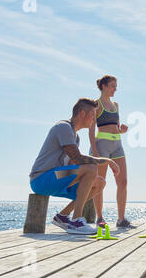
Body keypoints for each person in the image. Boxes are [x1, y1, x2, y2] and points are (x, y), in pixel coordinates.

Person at [29, 98, 120, 234]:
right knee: (91, 169)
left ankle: (62, 217)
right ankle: (76, 221)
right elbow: (77, 159)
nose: (94, 120)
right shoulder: (63, 127)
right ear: (82, 114)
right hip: (42, 179)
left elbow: (73, 165)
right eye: (93, 116)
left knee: (99, 183)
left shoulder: (75, 137)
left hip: (59, 178)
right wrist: (107, 161)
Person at [89, 75, 134, 228]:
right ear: (104, 86)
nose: (115, 89)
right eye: (112, 86)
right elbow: (91, 129)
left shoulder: (116, 105)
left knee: (123, 182)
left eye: (116, 86)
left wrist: (122, 130)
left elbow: (117, 127)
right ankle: (100, 218)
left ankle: (121, 219)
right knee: (100, 181)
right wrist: (94, 151)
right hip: (102, 145)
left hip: (117, 145)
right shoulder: (96, 104)